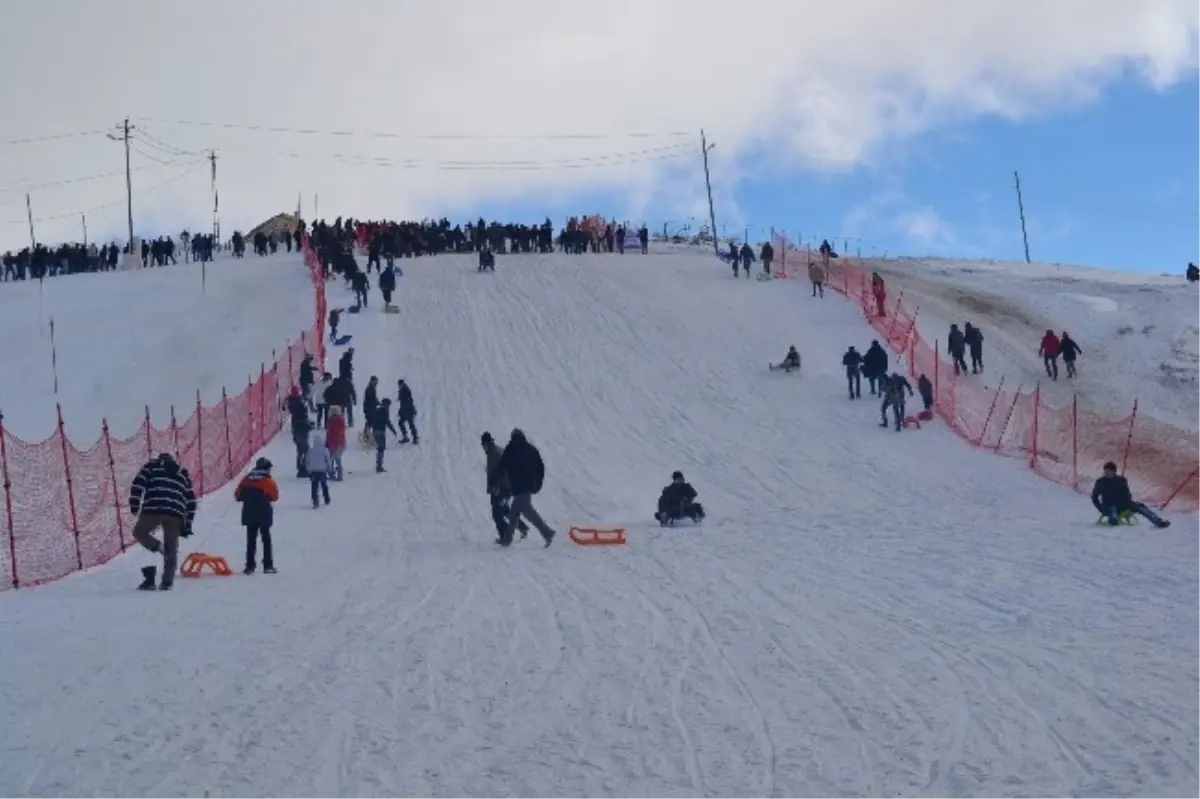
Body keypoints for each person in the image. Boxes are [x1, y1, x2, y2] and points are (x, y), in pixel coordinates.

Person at [129, 453, 197, 591]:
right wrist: (188, 523)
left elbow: (138, 482)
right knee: (172, 549)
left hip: (154, 508)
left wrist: (135, 504)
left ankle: (157, 546)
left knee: (139, 532)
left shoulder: (152, 466)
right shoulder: (182, 474)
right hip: (175, 514)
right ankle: (167, 583)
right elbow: (191, 501)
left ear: (160, 459)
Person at [494, 429, 556, 547]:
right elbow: (540, 465)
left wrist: (496, 478)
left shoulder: (511, 448)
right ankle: (507, 539)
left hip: (518, 486)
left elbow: (502, 465)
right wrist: (537, 483)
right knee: (514, 514)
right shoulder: (530, 449)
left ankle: (548, 533)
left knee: (528, 512)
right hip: (528, 485)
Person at [234, 457, 280, 574]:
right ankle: (268, 565)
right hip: (264, 514)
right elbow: (275, 497)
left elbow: (238, 495)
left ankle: (250, 566)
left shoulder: (246, 479)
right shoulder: (268, 481)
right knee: (266, 539)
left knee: (251, 540)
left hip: (249, 513)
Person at [1091, 461, 1170, 528]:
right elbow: (1094, 496)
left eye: (1108, 472)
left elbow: (1127, 494)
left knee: (1142, 508)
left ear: (1114, 472)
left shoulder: (1121, 480)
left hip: (1124, 504)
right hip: (1109, 505)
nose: (1106, 473)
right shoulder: (1101, 482)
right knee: (1113, 521)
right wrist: (1100, 508)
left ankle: (1159, 522)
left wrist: (1128, 503)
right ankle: (1114, 524)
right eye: (1105, 471)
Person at [481, 431, 528, 542]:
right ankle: (522, 527)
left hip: (501, 488)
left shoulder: (493, 453)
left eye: (483, 445)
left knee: (496, 512)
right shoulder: (496, 451)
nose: (483, 447)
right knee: (504, 510)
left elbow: (501, 471)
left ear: (487, 443)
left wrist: (495, 486)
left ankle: (505, 536)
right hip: (507, 486)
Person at [369, 398, 398, 472]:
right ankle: (379, 466)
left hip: (375, 431)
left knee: (380, 448)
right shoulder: (384, 411)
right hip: (381, 431)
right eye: (388, 405)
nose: (388, 407)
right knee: (381, 448)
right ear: (385, 404)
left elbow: (370, 420)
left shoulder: (375, 410)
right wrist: (393, 430)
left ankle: (378, 465)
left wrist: (368, 428)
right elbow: (387, 422)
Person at [306, 432, 333, 508]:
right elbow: (328, 460)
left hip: (313, 471)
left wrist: (309, 470)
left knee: (314, 486)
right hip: (322, 471)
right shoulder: (325, 450)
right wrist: (329, 469)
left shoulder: (310, 450)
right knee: (324, 485)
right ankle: (326, 498)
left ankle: (315, 500)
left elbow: (307, 461)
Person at [326, 405, 347, 480]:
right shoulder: (342, 420)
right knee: (338, 459)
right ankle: (339, 475)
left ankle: (331, 474)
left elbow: (329, 433)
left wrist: (327, 443)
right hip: (341, 441)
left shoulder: (331, 421)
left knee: (330, 458)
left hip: (332, 442)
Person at [397, 379, 419, 444]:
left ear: (402, 384)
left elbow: (407, 402)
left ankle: (414, 438)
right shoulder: (403, 390)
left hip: (408, 411)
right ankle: (409, 438)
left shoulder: (405, 391)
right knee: (402, 423)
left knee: (410, 424)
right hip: (406, 411)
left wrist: (402, 411)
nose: (399, 386)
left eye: (399, 385)